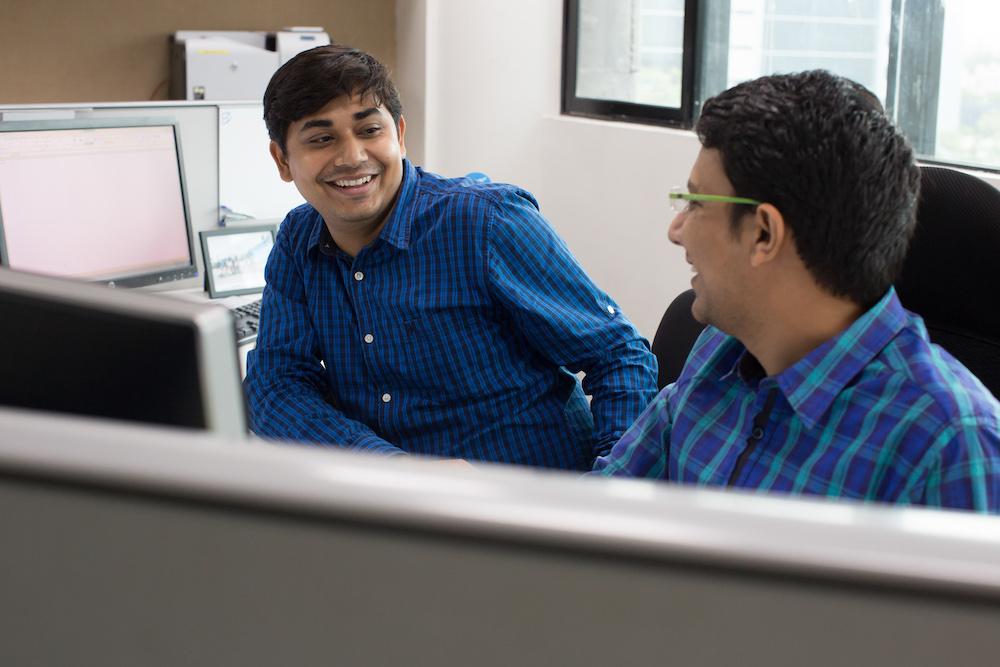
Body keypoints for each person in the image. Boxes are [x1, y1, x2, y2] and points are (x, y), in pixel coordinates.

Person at [593, 70, 1000, 511]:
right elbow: (599, 513)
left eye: (696, 204)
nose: (676, 231)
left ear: (764, 233)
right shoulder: (720, 349)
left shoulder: (952, 446)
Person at [244, 44, 657, 469]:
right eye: (322, 139)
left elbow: (618, 354)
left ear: (400, 135)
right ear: (282, 160)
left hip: (530, 499)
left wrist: (611, 485)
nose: (352, 157)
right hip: (398, 506)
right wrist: (390, 467)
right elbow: (276, 384)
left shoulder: (487, 222)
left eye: (369, 131)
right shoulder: (299, 238)